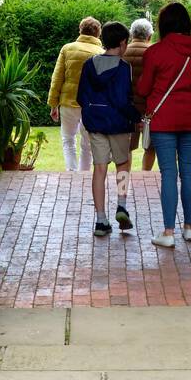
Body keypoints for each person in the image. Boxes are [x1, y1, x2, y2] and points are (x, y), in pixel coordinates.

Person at [135, 1, 191, 248]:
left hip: (164, 119)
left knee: (169, 173)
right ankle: (189, 227)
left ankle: (168, 231)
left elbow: (144, 88)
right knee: (188, 170)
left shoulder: (155, 53)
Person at [77, 21, 139, 238]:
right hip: (119, 123)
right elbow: (122, 100)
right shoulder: (124, 68)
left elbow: (80, 96)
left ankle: (101, 220)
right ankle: (121, 206)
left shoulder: (88, 64)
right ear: (122, 43)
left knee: (99, 169)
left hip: (95, 123)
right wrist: (135, 117)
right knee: (122, 164)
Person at [47, 16, 102, 171]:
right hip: (90, 106)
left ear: (80, 30)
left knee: (68, 140)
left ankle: (71, 172)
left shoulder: (67, 48)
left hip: (68, 103)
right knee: (88, 144)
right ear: (98, 34)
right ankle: (84, 175)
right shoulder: (102, 53)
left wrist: (53, 104)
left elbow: (57, 78)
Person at [124, 17, 155, 170]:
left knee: (126, 147)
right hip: (149, 109)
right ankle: (145, 176)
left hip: (127, 109)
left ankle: (126, 179)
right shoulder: (154, 53)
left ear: (131, 34)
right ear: (149, 36)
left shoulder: (123, 52)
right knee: (150, 147)